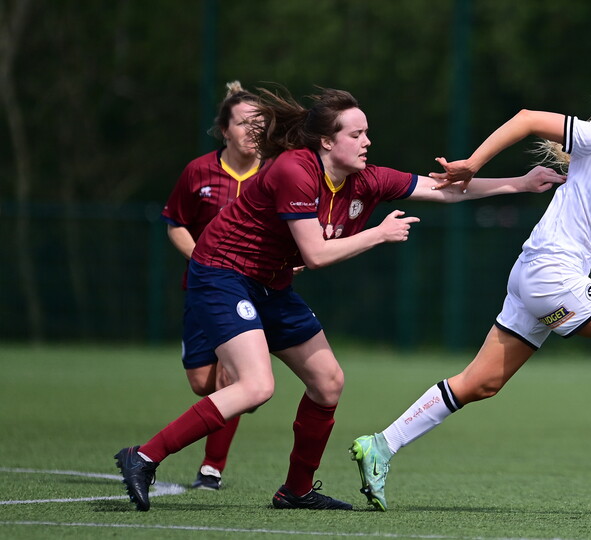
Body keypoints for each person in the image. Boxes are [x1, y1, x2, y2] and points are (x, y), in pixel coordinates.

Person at [114, 86, 565, 512]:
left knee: (328, 382)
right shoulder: (295, 169)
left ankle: (296, 490)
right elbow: (315, 254)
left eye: (366, 131)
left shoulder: (363, 180)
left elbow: (441, 189)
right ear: (327, 143)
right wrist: (378, 234)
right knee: (257, 386)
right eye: (356, 133)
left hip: (270, 284)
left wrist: (521, 184)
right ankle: (144, 457)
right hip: (222, 274)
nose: (367, 141)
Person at [349, 69, 591, 512]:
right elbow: (528, 118)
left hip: (539, 278)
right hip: (551, 277)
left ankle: (380, 445)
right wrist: (473, 164)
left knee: (482, 383)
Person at [159, 81, 261, 491]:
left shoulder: (274, 172)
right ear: (225, 130)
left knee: (233, 379)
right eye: (243, 123)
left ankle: (211, 468)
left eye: (260, 123)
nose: (252, 131)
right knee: (203, 382)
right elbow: (175, 223)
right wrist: (205, 258)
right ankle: (243, 394)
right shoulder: (199, 171)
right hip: (205, 288)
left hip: (253, 292)